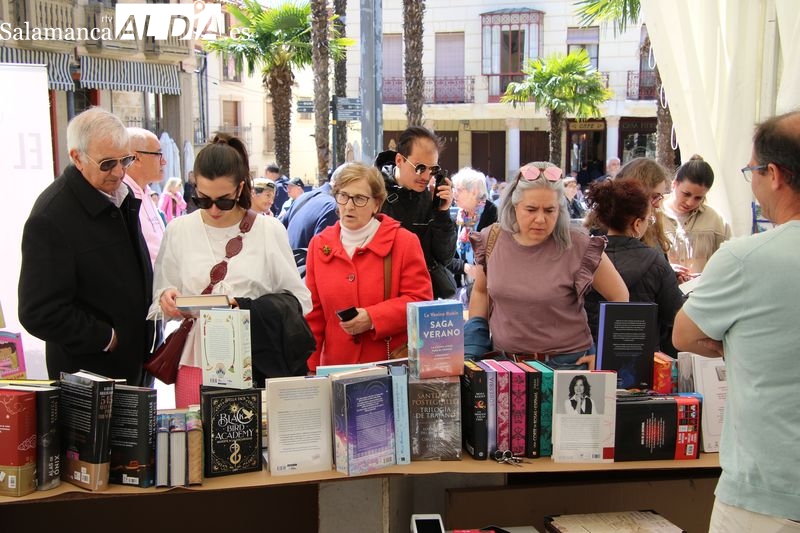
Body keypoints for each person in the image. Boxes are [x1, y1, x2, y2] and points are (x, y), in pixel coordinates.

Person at [673, 111, 800, 531]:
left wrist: (739, 344)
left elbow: (685, 334)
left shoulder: (747, 257)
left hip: (768, 491)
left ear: (775, 175)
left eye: (752, 171)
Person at [150, 133, 311, 407]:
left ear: (240, 189)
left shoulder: (268, 230)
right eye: (202, 199)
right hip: (195, 361)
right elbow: (159, 299)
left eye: (223, 200)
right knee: (196, 445)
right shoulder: (179, 230)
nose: (213, 209)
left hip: (254, 361)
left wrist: (245, 307)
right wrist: (167, 300)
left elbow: (299, 301)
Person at [18, 107, 154, 386]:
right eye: (107, 164)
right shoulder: (51, 217)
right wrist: (106, 337)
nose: (118, 172)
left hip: (134, 369)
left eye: (125, 160)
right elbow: (38, 311)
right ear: (77, 158)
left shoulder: (119, 194)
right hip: (89, 378)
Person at [467, 162, 629, 368]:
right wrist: (474, 346)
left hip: (569, 366)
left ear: (560, 209)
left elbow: (620, 297)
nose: (540, 219)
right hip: (505, 368)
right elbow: (481, 292)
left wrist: (605, 355)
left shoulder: (578, 244)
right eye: (531, 209)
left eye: (550, 210)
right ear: (514, 205)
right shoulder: (492, 238)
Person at [304, 162, 432, 372]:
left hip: (387, 370)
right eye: (343, 196)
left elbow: (420, 301)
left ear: (376, 204)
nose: (349, 206)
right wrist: (310, 369)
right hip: (336, 369)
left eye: (360, 199)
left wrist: (373, 318)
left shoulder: (404, 242)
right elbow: (313, 316)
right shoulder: (319, 245)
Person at [583, 179, 684, 357]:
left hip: (586, 356)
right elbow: (675, 317)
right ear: (637, 224)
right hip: (640, 362)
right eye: (648, 219)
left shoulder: (584, 256)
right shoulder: (656, 262)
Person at [375, 126, 456, 299]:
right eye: (420, 168)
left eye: (433, 169)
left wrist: (442, 212)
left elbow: (445, 257)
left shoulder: (430, 198)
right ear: (399, 160)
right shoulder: (374, 193)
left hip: (424, 296)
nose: (426, 176)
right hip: (384, 294)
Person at [662, 155, 731, 273]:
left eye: (698, 198)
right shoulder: (652, 215)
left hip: (703, 290)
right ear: (674, 184)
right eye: (686, 194)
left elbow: (727, 264)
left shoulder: (716, 220)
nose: (690, 202)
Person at [448, 167, 498, 298]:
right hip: (462, 289)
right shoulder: (458, 218)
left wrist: (479, 271)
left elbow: (496, 255)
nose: (454, 194)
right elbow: (446, 257)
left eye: (458, 190)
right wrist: (464, 267)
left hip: (488, 289)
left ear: (474, 192)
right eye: (454, 189)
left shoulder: (493, 215)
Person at [124, 127, 166, 266]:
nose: (164, 161)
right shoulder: (123, 198)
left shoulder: (146, 191)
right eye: (158, 154)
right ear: (137, 158)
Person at [284, 172, 339, 250]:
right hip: (306, 260)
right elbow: (323, 252)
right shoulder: (333, 206)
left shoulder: (303, 197)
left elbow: (281, 226)